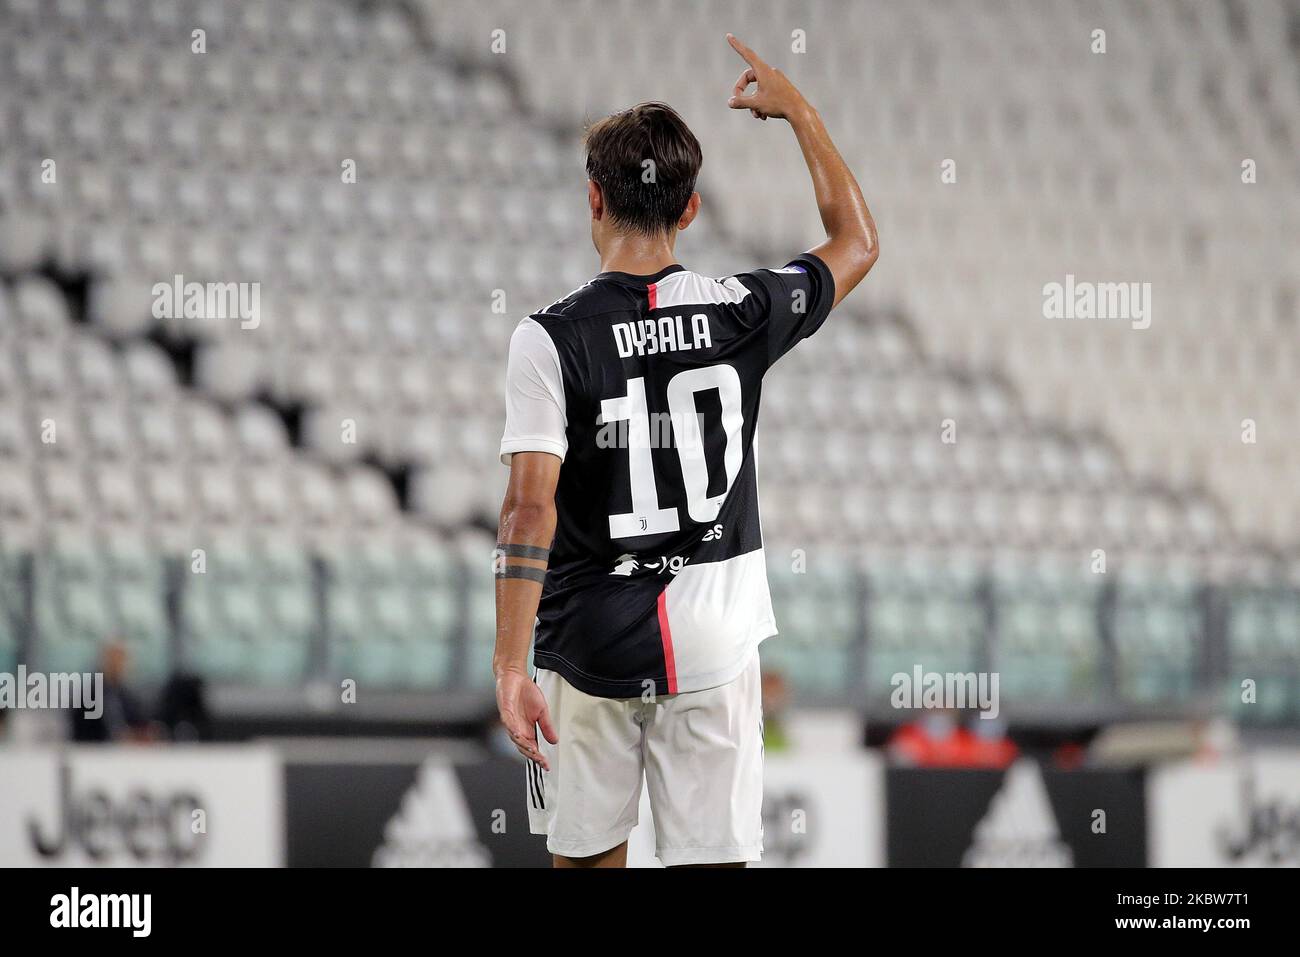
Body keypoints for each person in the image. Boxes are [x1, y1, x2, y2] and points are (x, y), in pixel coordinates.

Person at [492, 34, 878, 868]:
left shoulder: (549, 339)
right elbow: (858, 242)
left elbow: (529, 507)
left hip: (584, 646)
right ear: (691, 208)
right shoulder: (742, 309)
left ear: (593, 199)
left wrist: (507, 665)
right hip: (714, 641)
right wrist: (799, 113)